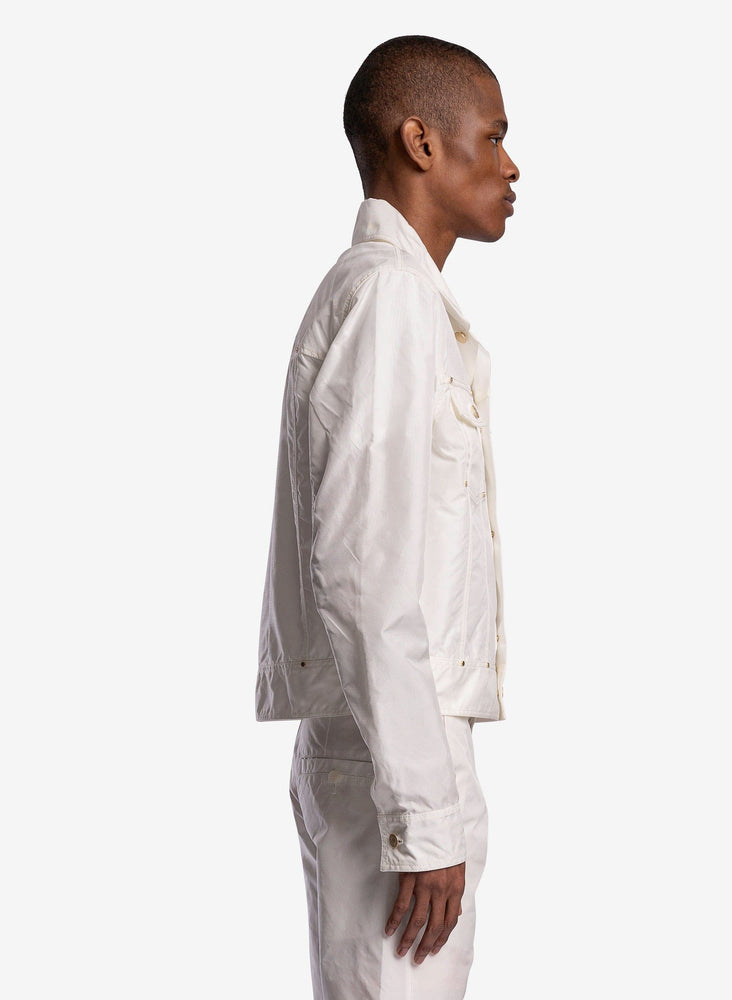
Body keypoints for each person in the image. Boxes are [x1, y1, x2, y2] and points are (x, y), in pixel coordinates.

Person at [255, 34, 519, 1000]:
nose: (510, 165)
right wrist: (424, 816)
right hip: (393, 760)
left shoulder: (395, 297)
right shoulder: (391, 299)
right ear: (421, 142)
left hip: (390, 749)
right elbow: (363, 573)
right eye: (493, 136)